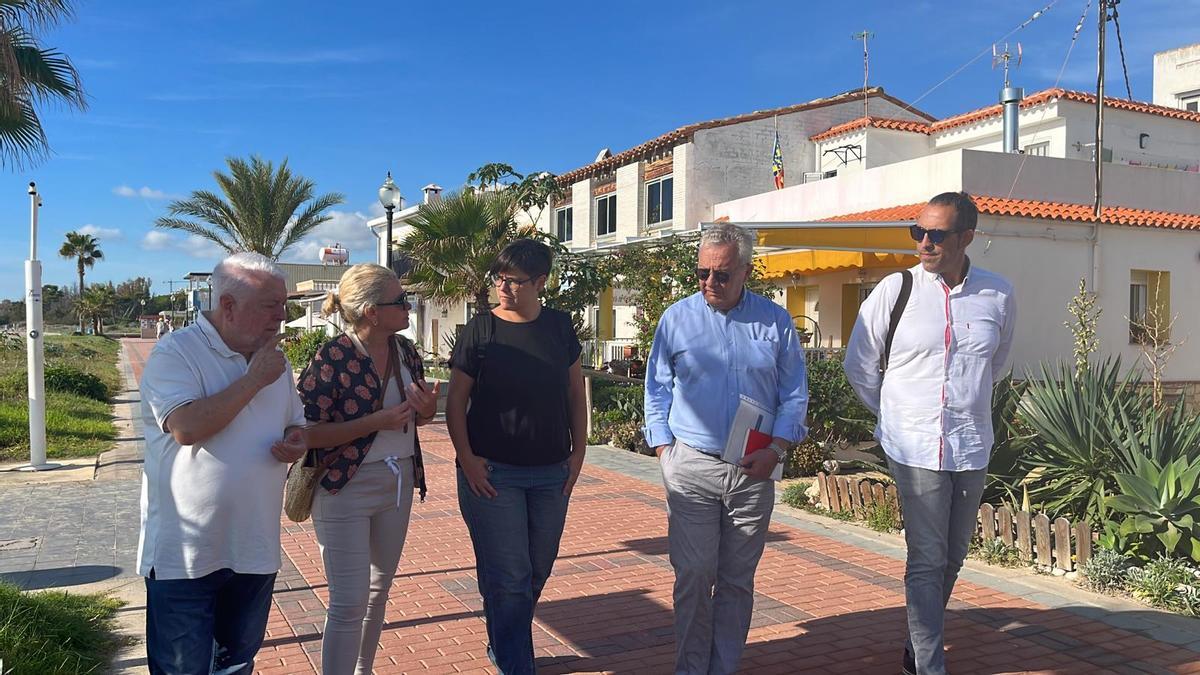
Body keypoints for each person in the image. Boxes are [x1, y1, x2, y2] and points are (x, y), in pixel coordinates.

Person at [844, 191, 1016, 675]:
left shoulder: (998, 295)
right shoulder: (895, 290)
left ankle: (917, 646)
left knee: (953, 556)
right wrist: (893, 414)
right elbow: (859, 364)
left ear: (966, 238)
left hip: (970, 443)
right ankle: (928, 665)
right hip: (913, 443)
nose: (923, 242)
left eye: (936, 234)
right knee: (926, 556)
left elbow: (994, 366)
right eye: (917, 231)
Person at [643, 222, 809, 675]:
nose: (710, 283)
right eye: (702, 273)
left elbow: (794, 391)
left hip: (754, 469)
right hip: (692, 465)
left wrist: (777, 448)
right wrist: (664, 450)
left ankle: (723, 666)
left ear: (745, 272)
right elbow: (656, 387)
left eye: (722, 274)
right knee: (694, 576)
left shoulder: (774, 321)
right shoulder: (676, 318)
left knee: (737, 580)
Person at [138, 252, 308, 674]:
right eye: (271, 306)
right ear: (228, 306)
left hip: (255, 549)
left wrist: (295, 442)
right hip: (186, 556)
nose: (281, 317)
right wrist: (253, 380)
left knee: (236, 666)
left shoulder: (274, 361)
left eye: (283, 305)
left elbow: (297, 426)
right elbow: (187, 427)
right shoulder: (175, 353)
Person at [446, 238, 587, 675]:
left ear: (540, 282)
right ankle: (515, 663)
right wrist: (466, 458)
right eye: (499, 278)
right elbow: (455, 403)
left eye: (513, 280)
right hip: (493, 473)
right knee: (509, 577)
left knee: (535, 571)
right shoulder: (481, 331)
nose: (502, 287)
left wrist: (579, 452)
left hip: (551, 473)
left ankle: (501, 639)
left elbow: (574, 394)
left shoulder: (560, 328)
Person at [296, 264, 439, 675]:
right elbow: (306, 433)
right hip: (344, 487)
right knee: (348, 601)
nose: (409, 306)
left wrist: (426, 411)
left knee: (378, 592)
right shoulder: (333, 357)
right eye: (400, 301)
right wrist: (374, 423)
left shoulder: (406, 351)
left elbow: (418, 417)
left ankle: (364, 670)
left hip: (398, 482)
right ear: (372, 311)